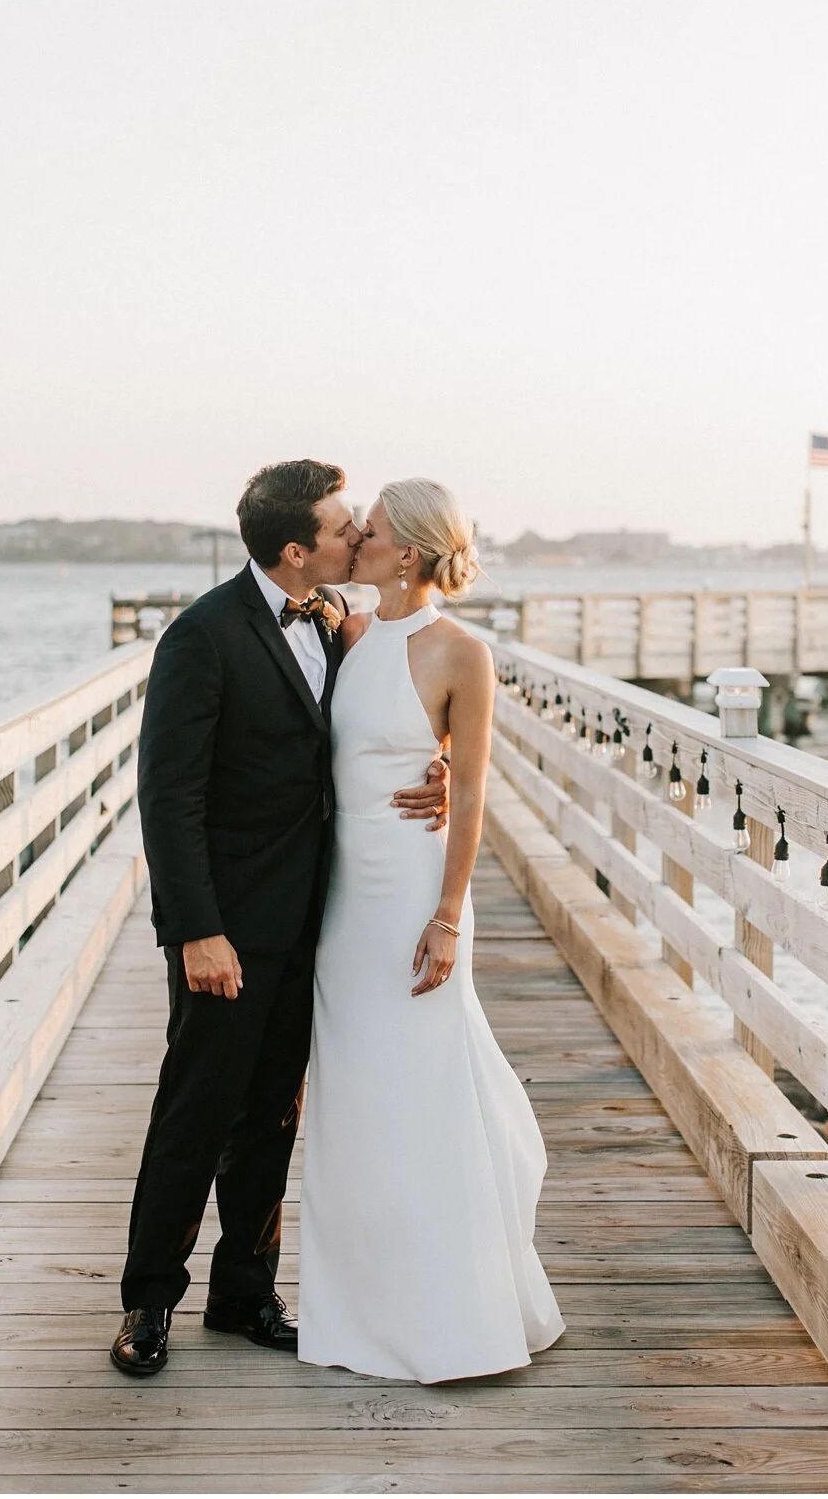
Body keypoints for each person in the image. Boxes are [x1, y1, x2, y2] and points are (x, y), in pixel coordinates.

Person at [110, 460, 449, 1377]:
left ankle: (245, 1291)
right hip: (227, 927)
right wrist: (195, 930)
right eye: (343, 528)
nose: (357, 538)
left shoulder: (340, 622)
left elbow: (385, 724)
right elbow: (167, 797)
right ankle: (148, 1301)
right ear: (297, 550)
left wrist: (438, 766)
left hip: (323, 918)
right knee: (196, 1112)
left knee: (272, 1116)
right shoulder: (201, 638)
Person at [297, 479, 564, 1382]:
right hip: (342, 899)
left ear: (406, 553)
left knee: (421, 1084)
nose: (355, 538)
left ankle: (450, 1310)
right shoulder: (350, 631)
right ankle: (359, 1310)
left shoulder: (463, 653)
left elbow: (476, 790)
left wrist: (448, 916)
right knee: (355, 1094)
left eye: (368, 530)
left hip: (416, 894)